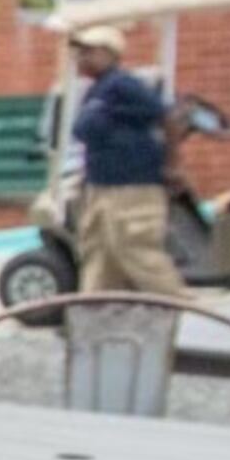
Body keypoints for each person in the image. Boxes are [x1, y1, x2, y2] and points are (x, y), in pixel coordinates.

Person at [66, 24, 191, 299]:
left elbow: (168, 118)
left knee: (136, 250)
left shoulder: (123, 85)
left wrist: (173, 165)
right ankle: (95, 309)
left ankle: (179, 305)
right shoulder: (96, 91)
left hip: (133, 186)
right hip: (102, 186)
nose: (80, 58)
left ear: (109, 54)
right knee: (99, 252)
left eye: (88, 52)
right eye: (79, 53)